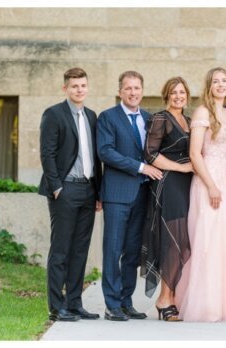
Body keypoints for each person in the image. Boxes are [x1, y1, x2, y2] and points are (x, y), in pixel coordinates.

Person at [175, 67, 226, 322]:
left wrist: (224, 183)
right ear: (208, 86)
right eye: (215, 81)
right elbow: (196, 153)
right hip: (209, 179)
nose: (220, 85)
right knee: (209, 239)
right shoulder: (202, 112)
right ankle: (206, 304)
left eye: (224, 81)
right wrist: (210, 185)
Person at [95, 71, 162, 321]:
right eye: (128, 88)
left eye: (137, 88)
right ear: (120, 91)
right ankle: (111, 304)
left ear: (142, 90)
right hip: (117, 194)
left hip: (143, 194)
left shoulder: (149, 118)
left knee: (133, 252)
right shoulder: (108, 117)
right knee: (113, 250)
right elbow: (106, 152)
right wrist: (141, 167)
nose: (133, 93)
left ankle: (126, 301)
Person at [38, 67, 102, 322]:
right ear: (65, 88)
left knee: (80, 250)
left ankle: (75, 303)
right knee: (61, 250)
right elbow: (47, 153)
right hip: (65, 189)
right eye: (75, 86)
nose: (80, 90)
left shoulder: (92, 116)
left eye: (83, 86)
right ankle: (56, 306)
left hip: (88, 189)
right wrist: (57, 188)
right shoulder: (54, 114)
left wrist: (98, 191)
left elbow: (96, 158)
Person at [141, 76, 193, 322]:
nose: (178, 96)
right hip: (169, 183)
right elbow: (150, 154)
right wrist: (181, 168)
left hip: (187, 186)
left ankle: (172, 296)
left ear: (187, 95)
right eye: (174, 92)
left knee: (182, 241)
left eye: (182, 92)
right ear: (166, 95)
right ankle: (164, 299)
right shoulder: (160, 118)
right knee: (173, 240)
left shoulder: (190, 121)